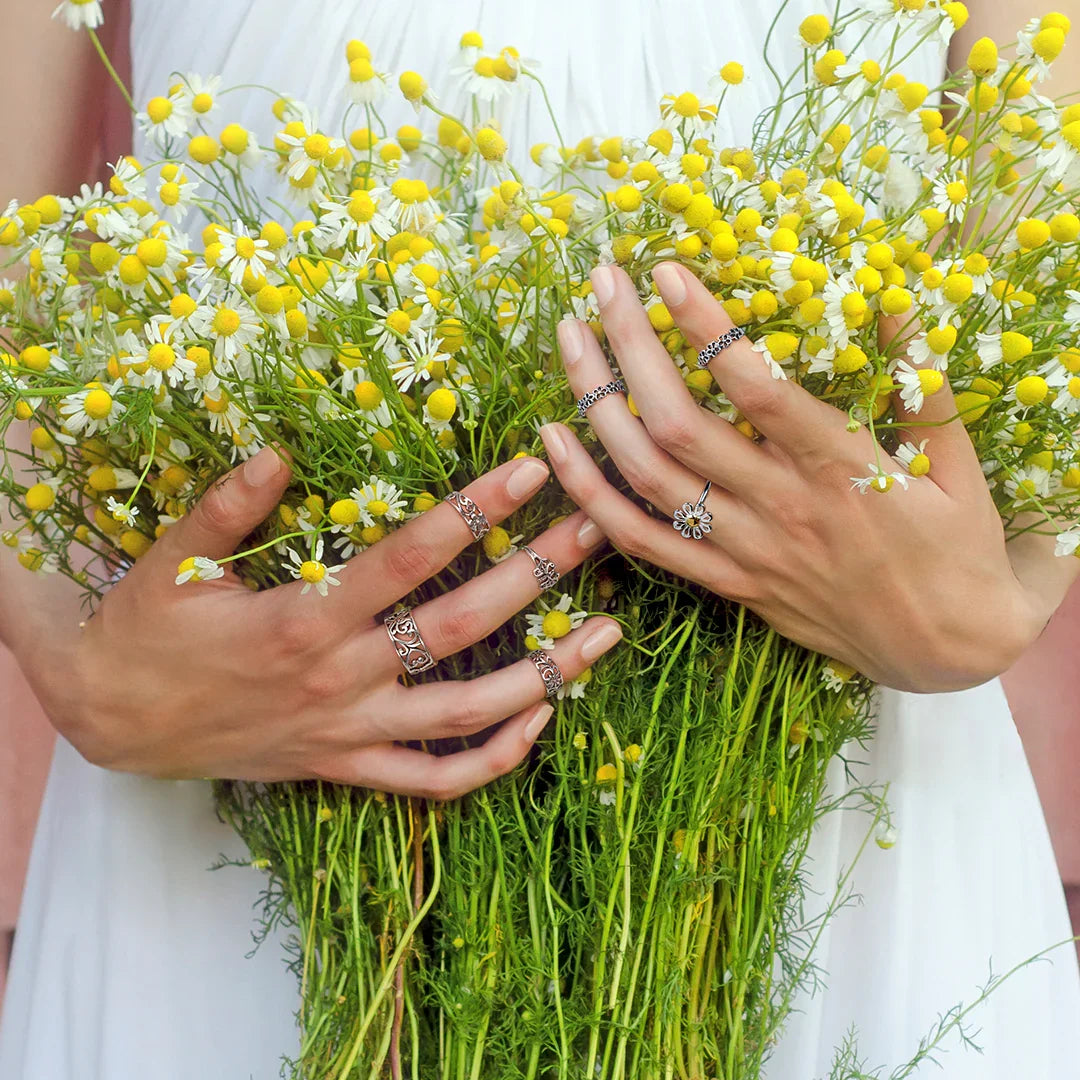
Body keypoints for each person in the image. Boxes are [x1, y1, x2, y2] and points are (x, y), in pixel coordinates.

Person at [0, 0, 1077, 1077]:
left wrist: (1006, 596)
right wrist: (67, 658)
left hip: (833, 753)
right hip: (241, 755)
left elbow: (1054, 289)